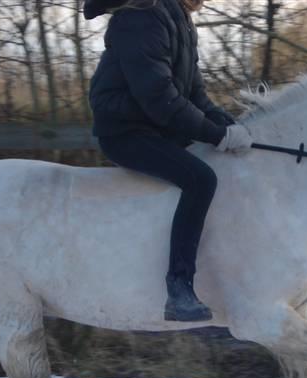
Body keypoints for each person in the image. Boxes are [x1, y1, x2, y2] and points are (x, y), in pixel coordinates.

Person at [86, 0, 253, 322]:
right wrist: (217, 136)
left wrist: (233, 127)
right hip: (126, 132)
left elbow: (195, 95)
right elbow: (160, 98)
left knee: (221, 165)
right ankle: (179, 287)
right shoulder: (144, 18)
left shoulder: (181, 21)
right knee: (201, 179)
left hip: (156, 126)